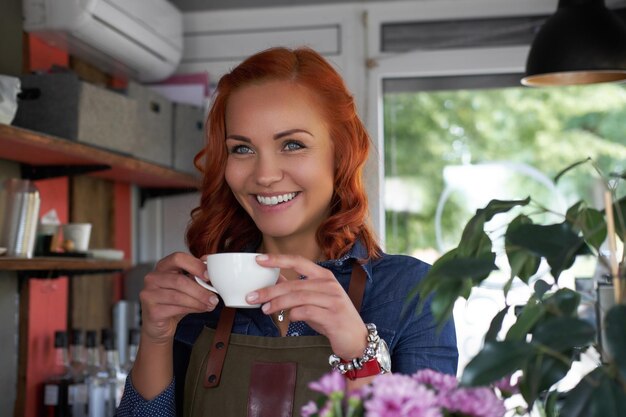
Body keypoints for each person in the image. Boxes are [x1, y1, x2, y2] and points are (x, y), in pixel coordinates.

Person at [116, 46, 457, 417]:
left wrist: (359, 353)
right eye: (242, 148)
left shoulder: (414, 292)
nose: (264, 175)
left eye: (292, 144)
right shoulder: (201, 292)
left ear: (340, 153)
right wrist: (155, 336)